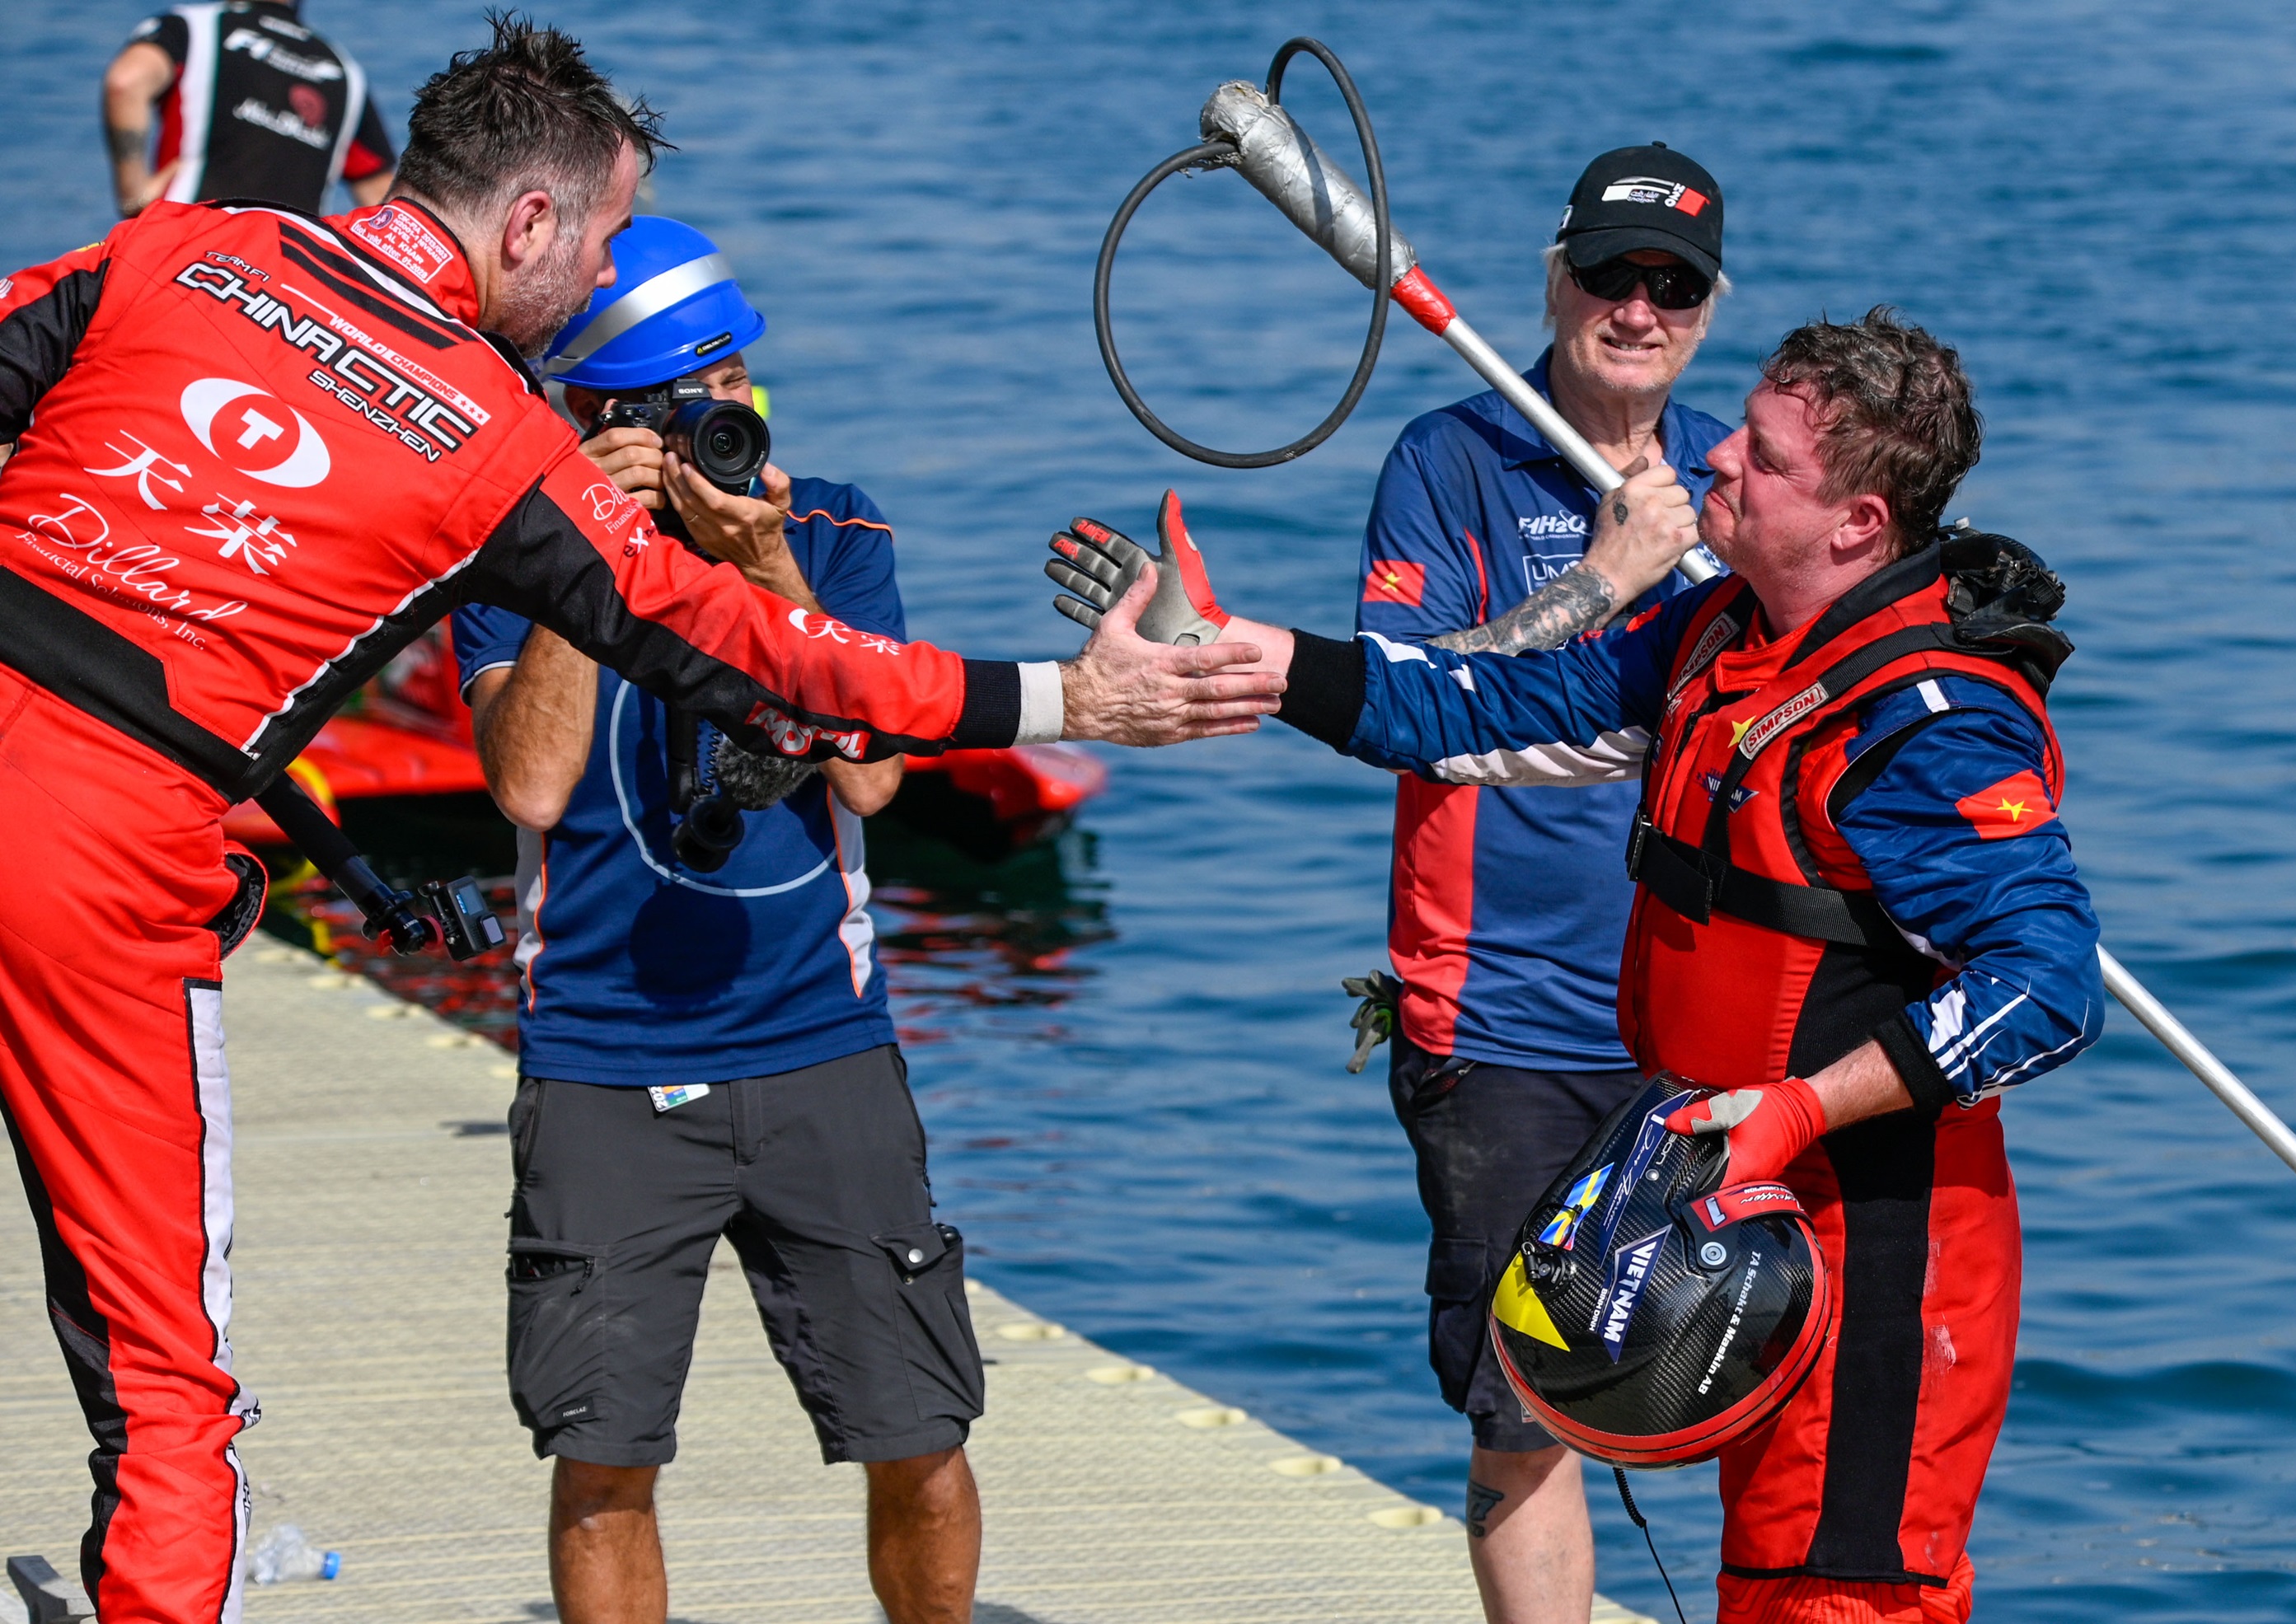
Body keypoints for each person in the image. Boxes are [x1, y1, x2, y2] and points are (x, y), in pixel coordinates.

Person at [0, 17, 1272, 1619]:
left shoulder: (187, 246)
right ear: (529, 222)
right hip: (104, 875)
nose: (599, 271)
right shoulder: (490, 440)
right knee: (169, 1399)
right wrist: (1076, 701)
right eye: (602, 233)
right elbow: (761, 663)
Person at [1052, 309, 2103, 1623]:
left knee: (1837, 1593)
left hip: (1877, 1239)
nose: (1714, 462)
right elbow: (1479, 708)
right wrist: (1237, 650)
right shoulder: (1718, 626)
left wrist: (1792, 1110)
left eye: (1761, 461)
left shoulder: (1926, 725)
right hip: (1726, 1206)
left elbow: (2049, 985)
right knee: (1756, 1579)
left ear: (1857, 526)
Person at [452, 217, 978, 1624]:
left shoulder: (836, 530)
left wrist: (761, 570)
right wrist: (591, 552)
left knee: (920, 1435)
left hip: (822, 1046)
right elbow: (531, 779)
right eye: (678, 401)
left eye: (733, 381)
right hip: (602, 1065)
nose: (720, 418)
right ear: (591, 419)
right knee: (602, 1461)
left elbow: (871, 770)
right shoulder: (511, 556)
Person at [1351, 142, 1731, 1624]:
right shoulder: (1448, 461)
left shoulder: (1731, 476)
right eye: (1609, 276)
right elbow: (1400, 700)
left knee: (1736, 1375)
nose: (1635, 309)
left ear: (1704, 310)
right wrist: (1610, 580)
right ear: (1554, 277)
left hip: (1702, 1021)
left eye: (1672, 286)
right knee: (1523, 1420)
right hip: (1496, 1017)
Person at [102, 0, 396, 218]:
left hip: (184, 246)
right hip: (285, 279)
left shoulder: (192, 27)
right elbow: (383, 202)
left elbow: (125, 82)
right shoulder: (345, 73)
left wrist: (132, 195)